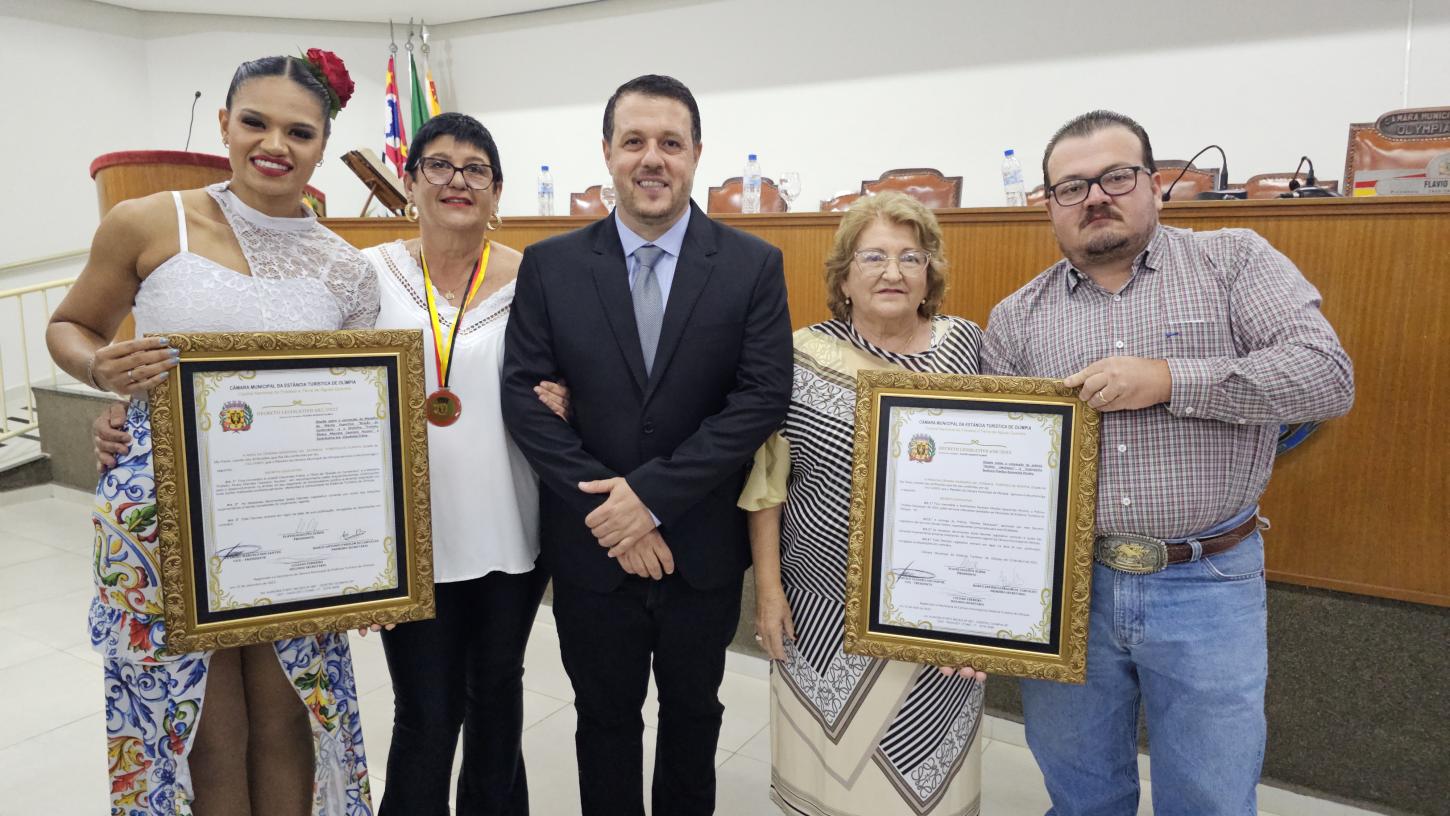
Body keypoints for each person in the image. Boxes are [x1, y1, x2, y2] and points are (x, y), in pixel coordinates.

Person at [91, 110, 572, 816]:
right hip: (403, 540)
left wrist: (569, 397)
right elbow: (289, 385)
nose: (458, 181)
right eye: (439, 165)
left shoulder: (539, 280)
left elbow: (571, 371)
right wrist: (136, 413)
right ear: (410, 181)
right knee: (426, 711)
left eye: (477, 170)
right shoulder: (362, 272)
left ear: (497, 190)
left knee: (498, 697)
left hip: (512, 524)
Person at [982, 110, 1354, 815]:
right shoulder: (1016, 318)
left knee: (1210, 799)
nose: (1096, 197)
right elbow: (999, 475)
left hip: (1207, 581)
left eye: (1116, 177)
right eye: (1072, 187)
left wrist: (1171, 380)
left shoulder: (1234, 261)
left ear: (1155, 185)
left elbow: (1326, 377)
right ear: (1050, 207)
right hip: (1068, 590)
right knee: (1081, 795)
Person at [47, 53, 377, 815]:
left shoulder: (347, 270)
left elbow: (355, 415)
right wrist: (101, 370)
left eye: (300, 131)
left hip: (292, 521)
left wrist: (367, 555)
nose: (274, 144)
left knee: (289, 712)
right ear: (225, 124)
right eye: (255, 121)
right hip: (166, 513)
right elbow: (71, 324)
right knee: (201, 724)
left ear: (323, 144)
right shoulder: (148, 221)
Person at [499, 74, 792, 815]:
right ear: (607, 152)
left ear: (696, 153)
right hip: (591, 552)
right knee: (603, 721)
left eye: (670, 142)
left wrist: (650, 500)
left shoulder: (753, 264)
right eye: (634, 141)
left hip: (700, 552)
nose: (652, 158)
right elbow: (524, 399)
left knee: (694, 718)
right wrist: (614, 515)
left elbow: (760, 398)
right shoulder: (551, 265)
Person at [741, 191, 987, 816]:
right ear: (844, 277)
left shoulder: (967, 346)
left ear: (930, 273)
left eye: (911, 256)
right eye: (873, 256)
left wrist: (986, 611)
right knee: (826, 778)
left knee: (922, 781)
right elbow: (767, 483)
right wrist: (768, 591)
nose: (892, 271)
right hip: (820, 613)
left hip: (937, 611)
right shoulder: (799, 354)